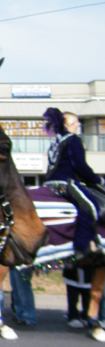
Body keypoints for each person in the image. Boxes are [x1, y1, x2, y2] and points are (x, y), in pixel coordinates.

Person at [43, 108, 105, 263]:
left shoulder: (56, 141)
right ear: (70, 124)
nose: (79, 125)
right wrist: (98, 181)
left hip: (49, 183)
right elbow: (80, 166)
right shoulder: (73, 139)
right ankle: (81, 248)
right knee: (90, 207)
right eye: (77, 122)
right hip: (64, 182)